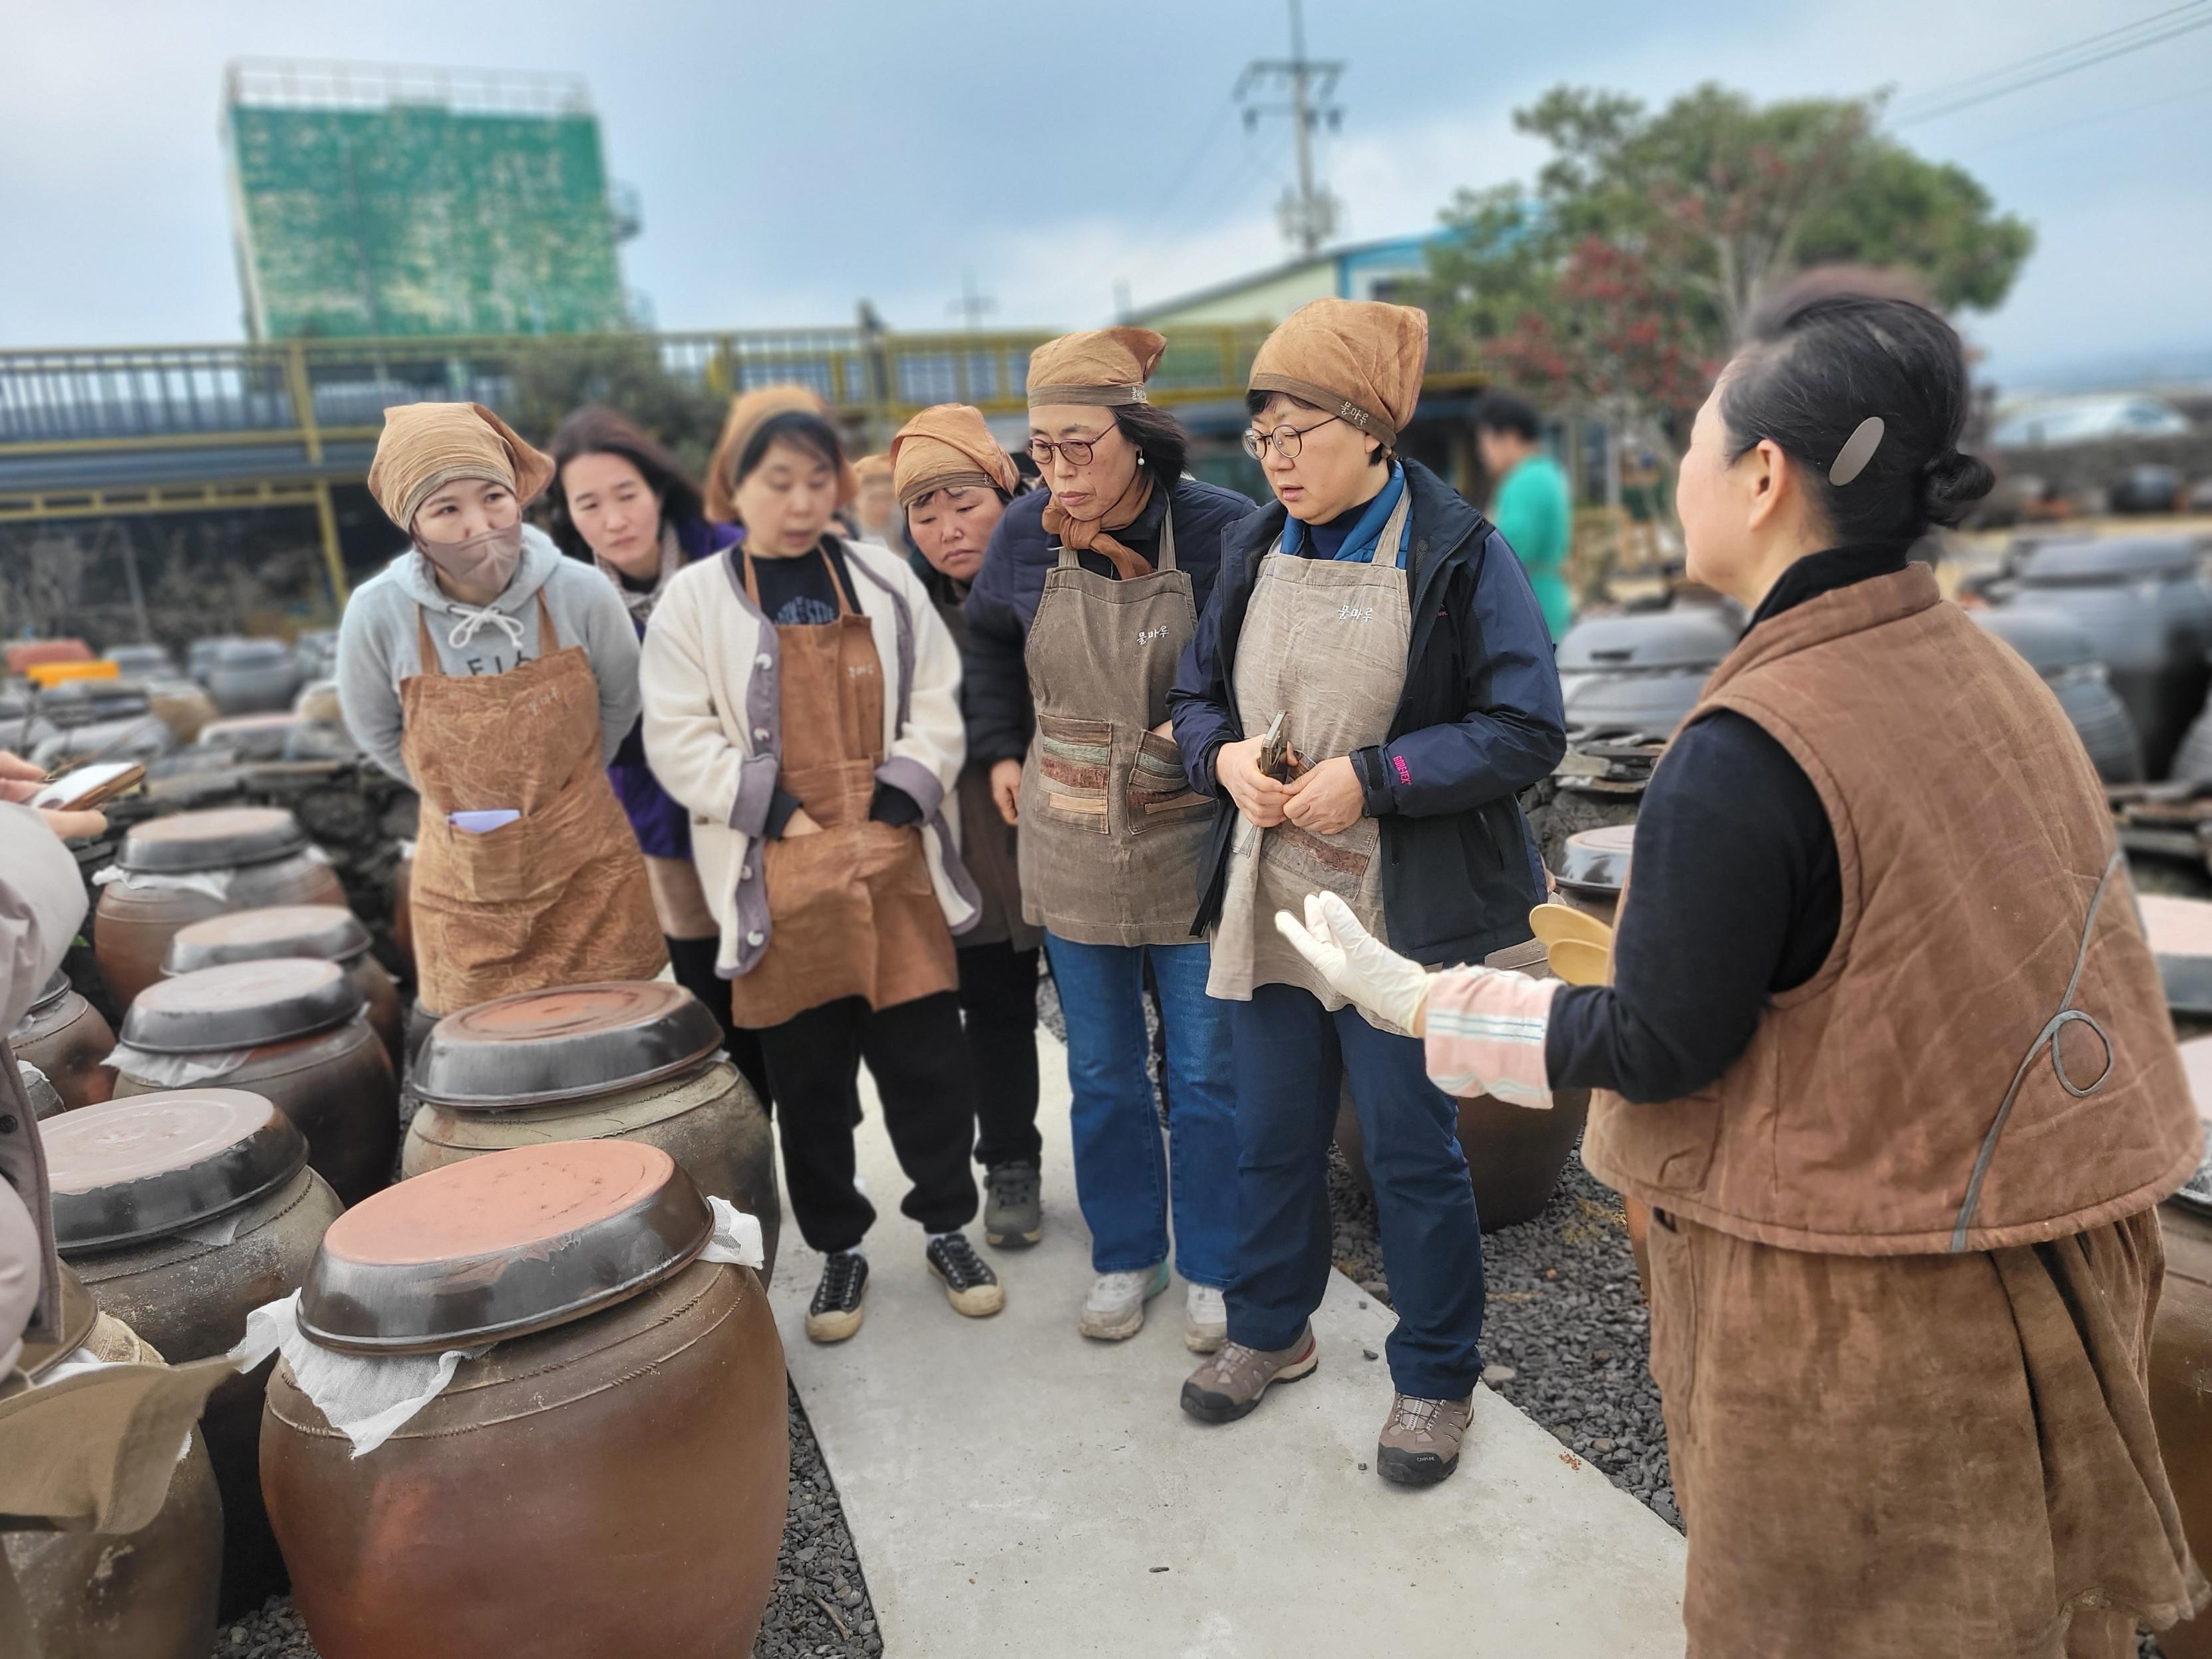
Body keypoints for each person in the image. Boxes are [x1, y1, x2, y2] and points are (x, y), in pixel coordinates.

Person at [1275, 280, 2207, 1650]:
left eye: (1695, 442)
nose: (1678, 477)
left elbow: (1661, 1042)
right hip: (2055, 1260)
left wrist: (1420, 999)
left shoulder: (1752, 739)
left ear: (1764, 475)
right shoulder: (1989, 668)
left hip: (1865, 1312)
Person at [1168, 297, 1565, 1484]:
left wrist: (1376, 776)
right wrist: (1222, 757)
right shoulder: (1253, 546)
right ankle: (1270, 1325)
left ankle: (1437, 1375)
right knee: (1273, 1133)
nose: (1277, 459)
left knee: (1411, 1149)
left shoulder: (1457, 551)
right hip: (1274, 890)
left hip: (1405, 912)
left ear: (1376, 432)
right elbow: (1195, 702)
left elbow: (1524, 725)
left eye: (1303, 432)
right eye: (1265, 436)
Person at [641, 386, 1001, 1342]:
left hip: (892, 861)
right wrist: (782, 814)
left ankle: (948, 1224)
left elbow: (937, 693)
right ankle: (840, 1247)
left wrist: (905, 791)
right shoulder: (694, 600)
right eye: (777, 481)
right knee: (811, 1084)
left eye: (815, 480)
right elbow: (677, 739)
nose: (799, 502)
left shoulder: (882, 578)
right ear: (735, 485)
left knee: (929, 1064)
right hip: (779, 876)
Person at [963, 329, 1250, 1350]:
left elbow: (1260, 665)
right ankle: (1128, 1252)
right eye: (1040, 449)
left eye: (1078, 445)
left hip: (1189, 836)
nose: (1058, 471)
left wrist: (1200, 726)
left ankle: (1216, 1262)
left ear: (1135, 437)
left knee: (1210, 1070)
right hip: (1072, 830)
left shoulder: (1223, 530)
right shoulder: (1019, 535)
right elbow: (992, 647)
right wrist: (1000, 744)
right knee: (1102, 1068)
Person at [337, 402, 667, 1018]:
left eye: (493, 497)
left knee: (620, 1046)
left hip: (590, 870)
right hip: (466, 886)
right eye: (446, 509)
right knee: (496, 1073)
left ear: (518, 497)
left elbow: (621, 703)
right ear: (412, 524)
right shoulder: (377, 612)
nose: (478, 525)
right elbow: (378, 732)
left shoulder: (582, 591)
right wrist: (460, 795)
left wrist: (563, 803)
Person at [544, 404, 772, 1113]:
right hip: (657, 808)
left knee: (783, 976)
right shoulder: (566, 596)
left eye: (626, 495)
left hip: (760, 798)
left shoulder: (736, 553)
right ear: (568, 516)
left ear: (657, 490)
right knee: (710, 987)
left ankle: (817, 1144)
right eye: (590, 504)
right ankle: (749, 1127)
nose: (614, 519)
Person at [891, 404, 1046, 1249]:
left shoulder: (1067, 565)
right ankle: (1010, 1164)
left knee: (1126, 1015)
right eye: (926, 513)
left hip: (1094, 827)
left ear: (1006, 488)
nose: (949, 530)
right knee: (996, 1009)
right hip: (979, 839)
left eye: (965, 503)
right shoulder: (902, 613)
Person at [1476, 392, 1574, 642]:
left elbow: (1503, 549)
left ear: (1507, 437)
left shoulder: (1525, 481)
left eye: (1484, 441)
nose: (1482, 452)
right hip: (1545, 602)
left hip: (1529, 608)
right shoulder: (1544, 471)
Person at [852, 452, 898, 544]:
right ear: (855, 499)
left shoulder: (905, 531)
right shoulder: (846, 536)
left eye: (889, 498)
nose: (882, 506)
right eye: (873, 499)